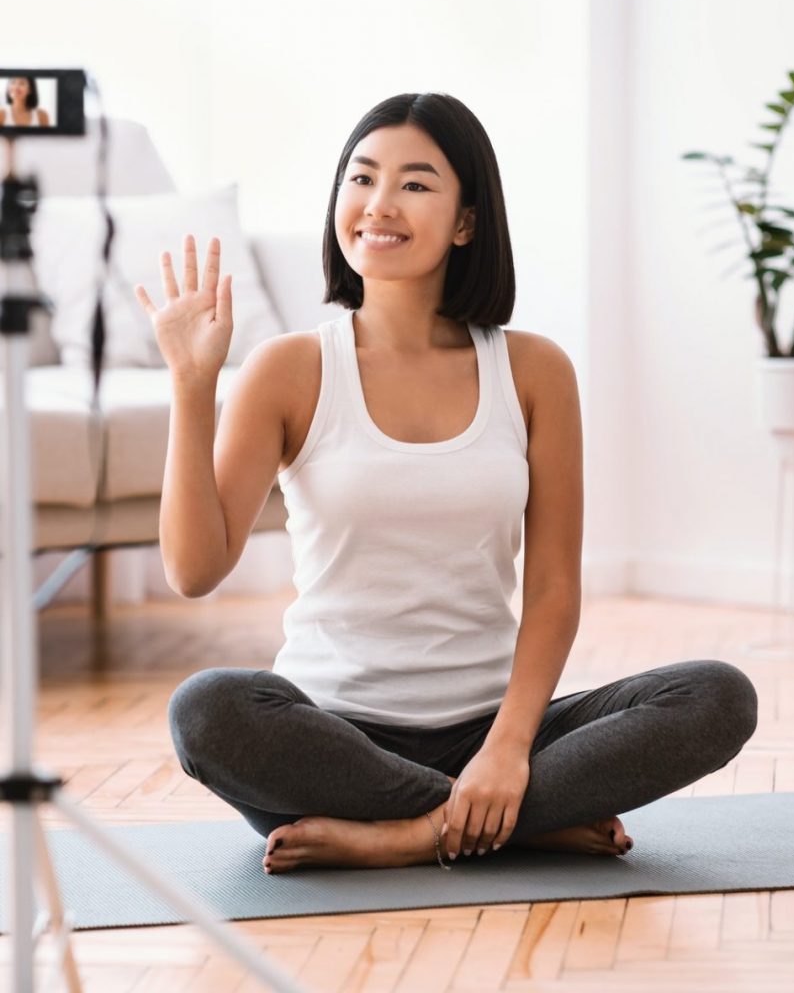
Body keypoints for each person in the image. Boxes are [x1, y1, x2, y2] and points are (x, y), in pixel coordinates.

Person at [135, 92, 758, 876]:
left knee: (716, 696)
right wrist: (192, 386)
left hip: (495, 728)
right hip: (330, 739)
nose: (379, 204)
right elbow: (195, 571)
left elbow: (556, 587)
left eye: (416, 184)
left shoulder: (533, 370)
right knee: (207, 711)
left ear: (467, 221)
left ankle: (405, 835)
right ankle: (508, 826)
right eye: (361, 178)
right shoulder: (289, 369)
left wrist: (507, 748)